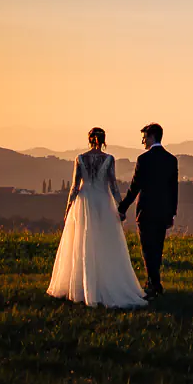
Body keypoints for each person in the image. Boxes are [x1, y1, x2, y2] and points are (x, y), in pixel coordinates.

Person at [46, 127, 147, 308]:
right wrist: (120, 207)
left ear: (89, 139)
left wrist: (68, 207)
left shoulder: (80, 159)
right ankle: (101, 282)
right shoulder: (108, 159)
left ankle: (82, 286)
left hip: (84, 202)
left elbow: (75, 186)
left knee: (82, 242)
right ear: (103, 140)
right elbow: (113, 185)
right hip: (102, 201)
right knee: (104, 242)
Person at [118, 122, 178, 299]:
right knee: (157, 249)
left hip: (145, 211)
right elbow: (173, 189)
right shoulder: (171, 159)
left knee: (147, 249)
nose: (142, 141)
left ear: (151, 137)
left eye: (144, 137)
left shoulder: (143, 160)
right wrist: (172, 213)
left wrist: (122, 207)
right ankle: (153, 282)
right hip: (163, 212)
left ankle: (154, 285)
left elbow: (135, 187)